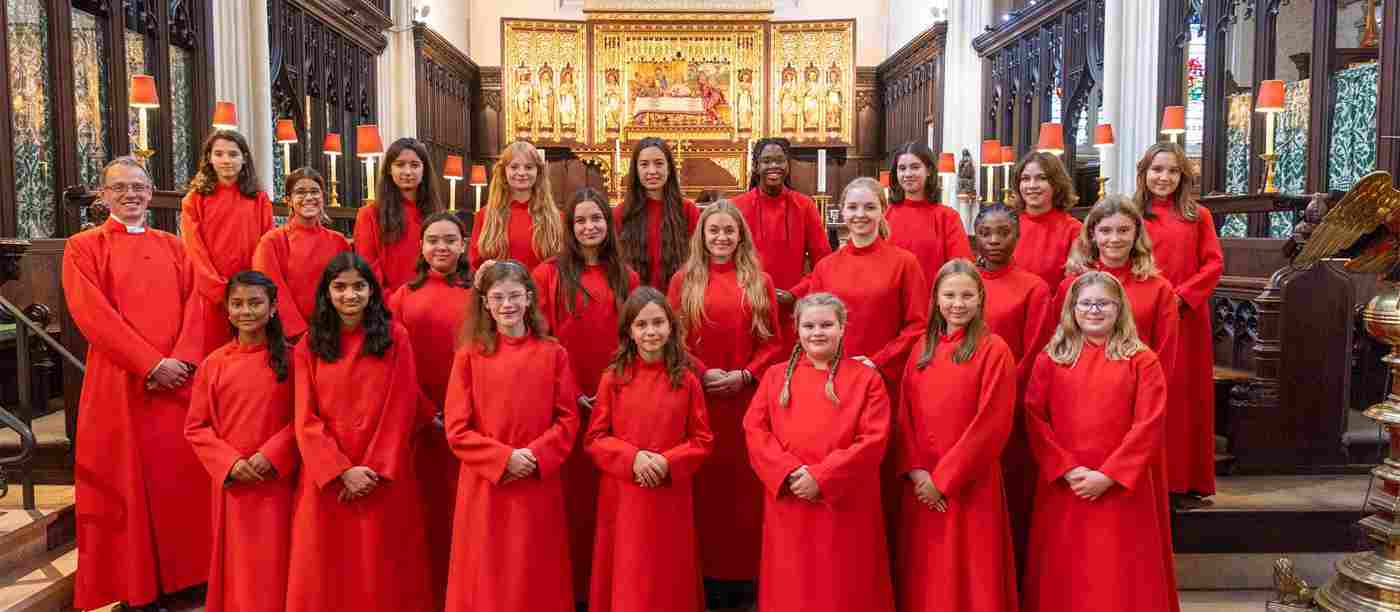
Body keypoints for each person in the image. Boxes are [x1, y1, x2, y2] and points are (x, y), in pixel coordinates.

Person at [63, 157, 211, 611]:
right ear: (104, 196)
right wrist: (150, 364)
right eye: (120, 188)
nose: (131, 195)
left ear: (151, 193)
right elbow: (93, 316)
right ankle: (136, 585)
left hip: (177, 385)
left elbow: (197, 307)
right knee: (125, 483)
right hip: (121, 383)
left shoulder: (174, 246)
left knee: (181, 484)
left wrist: (182, 360)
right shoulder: (83, 247)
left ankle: (187, 577)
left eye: (139, 187)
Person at [1021, 272, 1178, 612]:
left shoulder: (1142, 359)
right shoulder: (1051, 358)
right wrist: (1067, 468)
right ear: (1072, 309)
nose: (1094, 310)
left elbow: (1149, 422)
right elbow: (1035, 419)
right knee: (1066, 571)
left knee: (1117, 576)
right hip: (1066, 485)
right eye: (1086, 303)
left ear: (1119, 308)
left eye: (1103, 303)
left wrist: (1109, 475)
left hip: (1121, 488)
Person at [286, 253, 434, 611]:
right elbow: (305, 416)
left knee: (383, 565)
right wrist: (339, 470)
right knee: (326, 566)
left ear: (372, 292)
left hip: (383, 473)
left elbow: (402, 406)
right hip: (328, 477)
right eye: (339, 287)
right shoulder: (309, 344)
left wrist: (373, 468)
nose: (349, 295)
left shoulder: (396, 337)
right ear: (326, 293)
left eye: (358, 286)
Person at [744, 293, 895, 612]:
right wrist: (788, 472)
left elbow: (873, 440)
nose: (817, 332)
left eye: (827, 325)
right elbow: (755, 430)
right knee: (793, 586)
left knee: (843, 587)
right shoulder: (774, 377)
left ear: (842, 328)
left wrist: (822, 477)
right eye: (809, 325)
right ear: (796, 328)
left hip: (843, 507)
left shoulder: (866, 379)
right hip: (789, 501)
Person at [666, 200, 783, 607]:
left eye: (729, 231)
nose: (721, 237)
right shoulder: (683, 281)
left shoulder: (759, 281)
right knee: (704, 490)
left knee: (743, 493)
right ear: (701, 235)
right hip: (699, 397)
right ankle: (704, 577)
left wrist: (746, 374)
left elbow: (774, 342)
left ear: (741, 235)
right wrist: (703, 371)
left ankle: (745, 577)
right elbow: (672, 337)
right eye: (713, 230)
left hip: (746, 400)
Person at [444, 261, 580, 612]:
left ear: (530, 299)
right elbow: (457, 428)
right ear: (485, 303)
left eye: (515, 296)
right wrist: (505, 459)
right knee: (486, 571)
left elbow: (567, 419)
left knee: (534, 567)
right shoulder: (469, 356)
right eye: (498, 297)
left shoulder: (554, 353)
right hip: (486, 486)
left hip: (537, 481)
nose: (508, 304)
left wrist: (533, 456)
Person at [531, 187, 639, 604]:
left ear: (608, 226)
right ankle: (572, 585)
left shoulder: (625, 276)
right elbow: (542, 337)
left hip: (615, 394)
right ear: (569, 227)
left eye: (596, 219)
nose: (589, 227)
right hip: (564, 397)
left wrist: (613, 389)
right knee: (571, 497)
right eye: (580, 220)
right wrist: (573, 392)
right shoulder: (547, 275)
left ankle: (605, 584)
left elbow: (635, 337)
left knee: (606, 497)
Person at [894, 259, 1018, 611]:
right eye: (949, 295)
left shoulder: (994, 350)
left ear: (980, 298)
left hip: (969, 483)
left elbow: (991, 424)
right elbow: (905, 416)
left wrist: (944, 480)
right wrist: (918, 472)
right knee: (927, 571)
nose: (957, 303)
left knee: (971, 570)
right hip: (922, 483)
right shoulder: (921, 348)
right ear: (935, 299)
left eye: (967, 295)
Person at [585, 287, 714, 612]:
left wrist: (667, 462)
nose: (651, 331)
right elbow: (596, 437)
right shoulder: (613, 378)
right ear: (629, 331)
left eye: (658, 323)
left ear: (671, 327)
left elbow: (702, 440)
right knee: (628, 571)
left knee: (668, 571)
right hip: (624, 496)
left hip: (669, 494)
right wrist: (633, 458)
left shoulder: (686, 380)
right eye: (642, 325)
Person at [184, 271, 298, 612]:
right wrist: (231, 462)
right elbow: (197, 427)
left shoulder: (295, 360)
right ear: (227, 310)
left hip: (280, 481)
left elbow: (307, 418)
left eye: (255, 303)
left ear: (274, 308)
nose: (245, 311)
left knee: (281, 559)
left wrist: (273, 453)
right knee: (241, 566)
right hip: (234, 485)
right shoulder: (213, 364)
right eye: (237, 304)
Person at [386, 212, 475, 609]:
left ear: (463, 245)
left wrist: (461, 414)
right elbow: (392, 364)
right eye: (433, 240)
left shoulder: (479, 295)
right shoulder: (402, 297)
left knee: (465, 513)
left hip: (468, 419)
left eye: (450, 240)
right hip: (420, 418)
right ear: (421, 247)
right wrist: (424, 411)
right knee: (425, 511)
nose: (441, 247)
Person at [1136, 142, 1224, 508]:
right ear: (1144, 173)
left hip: (1185, 317)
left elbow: (1213, 264)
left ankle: (1184, 478)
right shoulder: (1133, 214)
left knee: (1183, 395)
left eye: (1172, 171)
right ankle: (1144, 474)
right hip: (1141, 315)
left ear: (1182, 177)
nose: (1164, 177)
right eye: (1157, 170)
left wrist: (1181, 296)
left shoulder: (1197, 215)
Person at [971, 202, 1054, 570]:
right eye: (986, 233)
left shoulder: (1033, 287)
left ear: (1017, 237)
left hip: (1011, 407)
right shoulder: (965, 285)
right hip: (965, 406)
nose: (994, 241)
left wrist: (997, 394)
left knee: (1012, 490)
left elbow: (1036, 348)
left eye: (1003, 232)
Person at [794, 176, 928, 387]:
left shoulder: (905, 263)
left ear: (882, 211)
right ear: (843, 212)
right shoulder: (825, 267)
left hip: (885, 376)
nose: (860, 214)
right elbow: (811, 326)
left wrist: (878, 362)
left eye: (869, 207)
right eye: (853, 207)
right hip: (833, 376)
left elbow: (918, 326)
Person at [1058, 196, 1179, 393]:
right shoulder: (1071, 286)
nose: (1114, 239)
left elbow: (1164, 357)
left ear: (1136, 233)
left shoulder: (1159, 289)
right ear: (1092, 234)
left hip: (1136, 391)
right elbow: (1059, 344)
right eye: (1105, 231)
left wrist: (1149, 398)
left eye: (1123, 230)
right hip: (1077, 391)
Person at [181, 130, 274, 357]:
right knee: (215, 355)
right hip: (212, 296)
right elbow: (194, 250)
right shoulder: (194, 200)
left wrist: (254, 289)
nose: (226, 160)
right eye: (219, 154)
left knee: (253, 353)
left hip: (251, 294)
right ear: (209, 158)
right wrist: (221, 291)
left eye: (233, 154)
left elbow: (266, 245)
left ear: (244, 158)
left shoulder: (259, 199)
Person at [733, 138, 833, 344]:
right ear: (755, 166)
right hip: (747, 306)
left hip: (792, 311)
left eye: (780, 160)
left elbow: (824, 264)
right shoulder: (737, 207)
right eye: (767, 161)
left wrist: (794, 294)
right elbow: (726, 261)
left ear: (788, 165)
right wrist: (752, 291)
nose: (773, 166)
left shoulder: (804, 206)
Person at [252, 167, 351, 341]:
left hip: (332, 333)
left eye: (314, 191)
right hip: (288, 338)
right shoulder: (271, 242)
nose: (308, 197)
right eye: (300, 192)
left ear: (322, 197)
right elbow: (271, 292)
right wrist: (299, 334)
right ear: (288, 200)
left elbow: (346, 288)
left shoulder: (339, 242)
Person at [354, 137, 442, 294]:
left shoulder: (438, 215)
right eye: (400, 165)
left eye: (415, 165)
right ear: (389, 169)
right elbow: (368, 269)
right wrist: (393, 304)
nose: (407, 172)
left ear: (424, 170)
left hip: (432, 299)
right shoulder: (369, 214)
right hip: (388, 306)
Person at [616, 138, 701, 288]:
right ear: (636, 170)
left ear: (669, 169)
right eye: (644, 164)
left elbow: (699, 260)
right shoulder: (621, 213)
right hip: (634, 302)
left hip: (678, 300)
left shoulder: (688, 210)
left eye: (659, 163)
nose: (652, 171)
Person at [469, 140, 567, 271]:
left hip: (542, 290)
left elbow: (563, 265)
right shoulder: (485, 216)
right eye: (514, 167)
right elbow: (475, 265)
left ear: (538, 172)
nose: (521, 173)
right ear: (504, 172)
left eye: (529, 167)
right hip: (499, 289)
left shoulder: (557, 218)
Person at [886, 142, 973, 282]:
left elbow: (961, 270)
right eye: (902, 168)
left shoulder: (948, 217)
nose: (907, 174)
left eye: (915, 167)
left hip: (932, 300)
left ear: (929, 170)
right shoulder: (884, 217)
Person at [1008, 151, 1081, 290]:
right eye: (1025, 178)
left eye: (1041, 178)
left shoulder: (1074, 230)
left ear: (1056, 183)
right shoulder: (1007, 224)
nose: (1032, 185)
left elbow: (1072, 285)